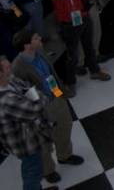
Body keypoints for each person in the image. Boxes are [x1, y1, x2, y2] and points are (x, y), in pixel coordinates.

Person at [12, 29, 82, 185]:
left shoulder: (40, 52)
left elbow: (51, 73)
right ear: (27, 45)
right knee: (44, 142)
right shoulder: (18, 67)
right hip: (40, 107)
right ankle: (48, 170)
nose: (40, 40)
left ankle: (64, 155)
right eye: (36, 38)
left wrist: (60, 91)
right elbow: (22, 93)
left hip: (56, 95)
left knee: (65, 125)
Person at [0, 55, 53, 190]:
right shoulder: (6, 100)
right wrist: (41, 97)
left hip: (29, 134)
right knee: (33, 173)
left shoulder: (10, 80)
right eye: (7, 67)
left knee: (32, 170)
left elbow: (28, 87)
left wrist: (34, 96)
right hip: (25, 144)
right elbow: (34, 109)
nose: (10, 68)